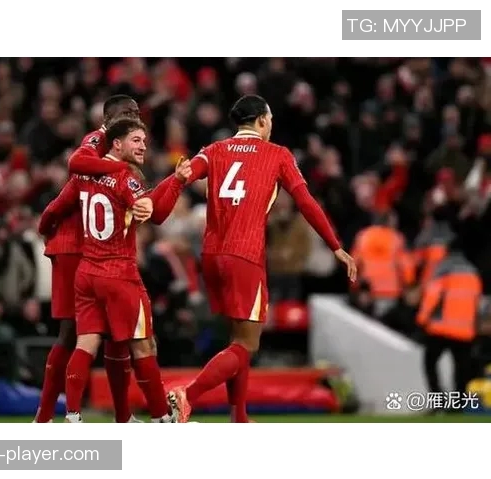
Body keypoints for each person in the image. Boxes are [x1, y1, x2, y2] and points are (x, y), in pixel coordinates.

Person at [167, 95, 357, 423]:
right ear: (262, 121)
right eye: (270, 120)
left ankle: (239, 415)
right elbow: (306, 202)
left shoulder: (214, 150)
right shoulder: (278, 154)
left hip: (211, 255)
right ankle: (189, 395)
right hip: (245, 254)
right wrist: (335, 245)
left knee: (236, 338)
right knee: (247, 345)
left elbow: (183, 176)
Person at [38, 118, 190, 423]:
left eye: (144, 140)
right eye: (136, 140)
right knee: (143, 345)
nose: (143, 146)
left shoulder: (85, 173)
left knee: (85, 343)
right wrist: (177, 183)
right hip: (119, 273)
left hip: (87, 272)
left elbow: (53, 209)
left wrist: (47, 233)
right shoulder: (124, 177)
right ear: (117, 143)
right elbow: (155, 212)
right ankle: (162, 418)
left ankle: (72, 416)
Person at [34, 95, 145, 423]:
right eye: (131, 113)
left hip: (94, 251)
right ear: (112, 119)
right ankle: (45, 417)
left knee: (114, 335)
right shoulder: (99, 140)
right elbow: (76, 164)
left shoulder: (118, 153)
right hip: (76, 249)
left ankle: (122, 416)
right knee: (72, 332)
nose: (136, 119)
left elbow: (59, 203)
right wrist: (121, 168)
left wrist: (46, 224)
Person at [416, 237, 482, 411]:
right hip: (465, 332)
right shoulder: (474, 275)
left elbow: (432, 297)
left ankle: (438, 400)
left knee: (430, 363)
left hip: (441, 329)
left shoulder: (444, 270)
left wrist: (421, 320)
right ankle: (458, 405)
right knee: (461, 369)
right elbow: (478, 305)